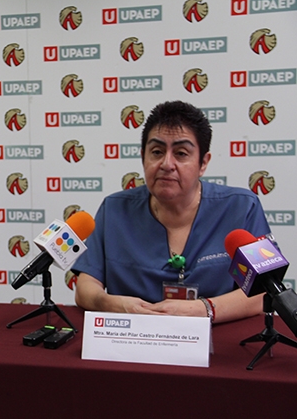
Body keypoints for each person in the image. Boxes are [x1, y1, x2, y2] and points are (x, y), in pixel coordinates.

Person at [72, 101, 271, 324]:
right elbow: (86, 287)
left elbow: (264, 292)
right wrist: (116, 305)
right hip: (132, 335)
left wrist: (202, 309)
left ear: (203, 163)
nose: (167, 164)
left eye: (181, 153)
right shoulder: (114, 210)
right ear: (143, 157)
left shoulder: (241, 207)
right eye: (157, 152)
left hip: (217, 336)